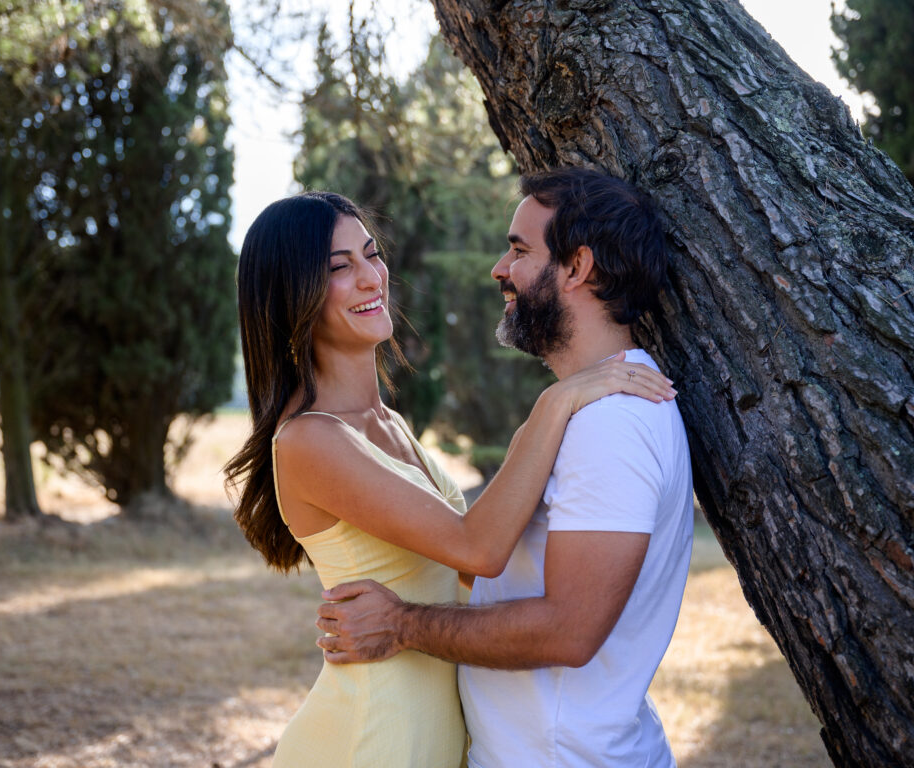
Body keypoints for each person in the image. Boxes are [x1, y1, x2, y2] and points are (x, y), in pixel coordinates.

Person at [225, 189, 676, 768]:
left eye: (371, 253)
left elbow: (462, 569)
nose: (371, 278)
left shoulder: (385, 423)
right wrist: (555, 404)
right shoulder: (310, 439)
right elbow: (478, 547)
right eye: (340, 267)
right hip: (372, 737)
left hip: (441, 736)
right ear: (292, 294)